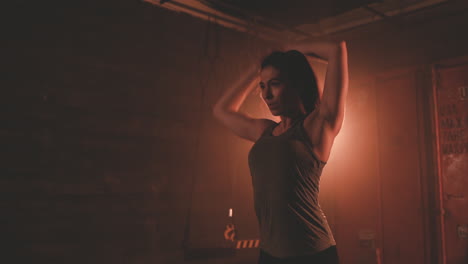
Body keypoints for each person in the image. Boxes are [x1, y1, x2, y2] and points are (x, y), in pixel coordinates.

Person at [212, 40, 348, 264]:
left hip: (312, 254)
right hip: (269, 255)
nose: (267, 95)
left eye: (274, 84)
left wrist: (289, 53)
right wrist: (256, 69)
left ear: (296, 84)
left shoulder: (316, 127)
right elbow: (221, 110)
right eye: (262, 86)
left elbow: (336, 48)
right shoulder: (265, 131)